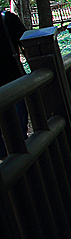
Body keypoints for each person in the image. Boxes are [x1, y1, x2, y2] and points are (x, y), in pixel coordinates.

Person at [0, 9, 28, 158]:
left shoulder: (7, 19)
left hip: (15, 84)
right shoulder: (7, 19)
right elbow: (28, 44)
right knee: (18, 134)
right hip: (15, 84)